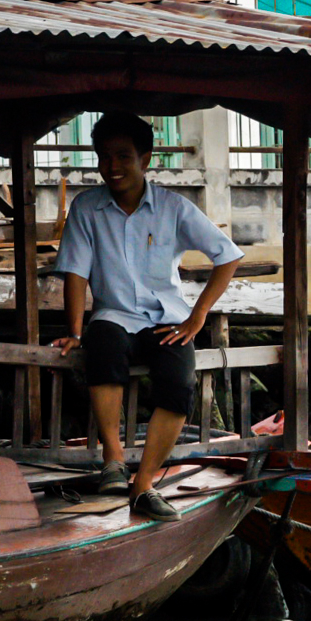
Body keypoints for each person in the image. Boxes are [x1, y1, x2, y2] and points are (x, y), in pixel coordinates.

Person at [51, 112, 243, 522]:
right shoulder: (87, 208)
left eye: (123, 156)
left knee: (178, 384)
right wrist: (73, 332)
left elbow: (227, 257)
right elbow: (76, 273)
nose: (112, 166)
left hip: (166, 316)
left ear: (147, 159)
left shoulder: (174, 207)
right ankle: (114, 462)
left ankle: (144, 486)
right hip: (113, 314)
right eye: (104, 157)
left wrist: (197, 317)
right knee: (101, 346)